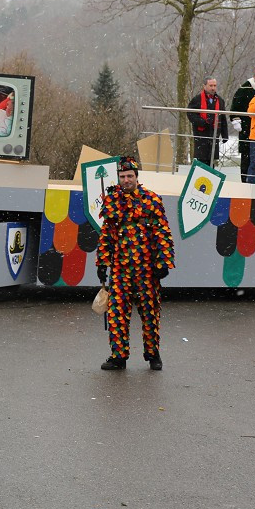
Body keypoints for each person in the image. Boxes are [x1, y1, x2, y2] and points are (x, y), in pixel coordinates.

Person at [95, 156, 176, 371]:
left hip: (147, 270)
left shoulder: (152, 200)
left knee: (150, 314)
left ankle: (153, 355)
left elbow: (163, 232)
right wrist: (102, 262)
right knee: (117, 314)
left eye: (130, 176)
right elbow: (107, 234)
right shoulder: (112, 201)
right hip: (121, 270)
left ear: (137, 177)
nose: (126, 180)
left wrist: (164, 261)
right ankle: (118, 357)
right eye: (122, 176)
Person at [186, 77, 228, 166]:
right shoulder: (197, 99)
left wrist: (225, 135)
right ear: (204, 86)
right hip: (201, 134)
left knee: (212, 160)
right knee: (201, 160)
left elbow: (222, 118)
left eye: (214, 86)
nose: (213, 88)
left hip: (214, 134)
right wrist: (201, 122)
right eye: (210, 85)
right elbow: (190, 113)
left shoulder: (220, 100)